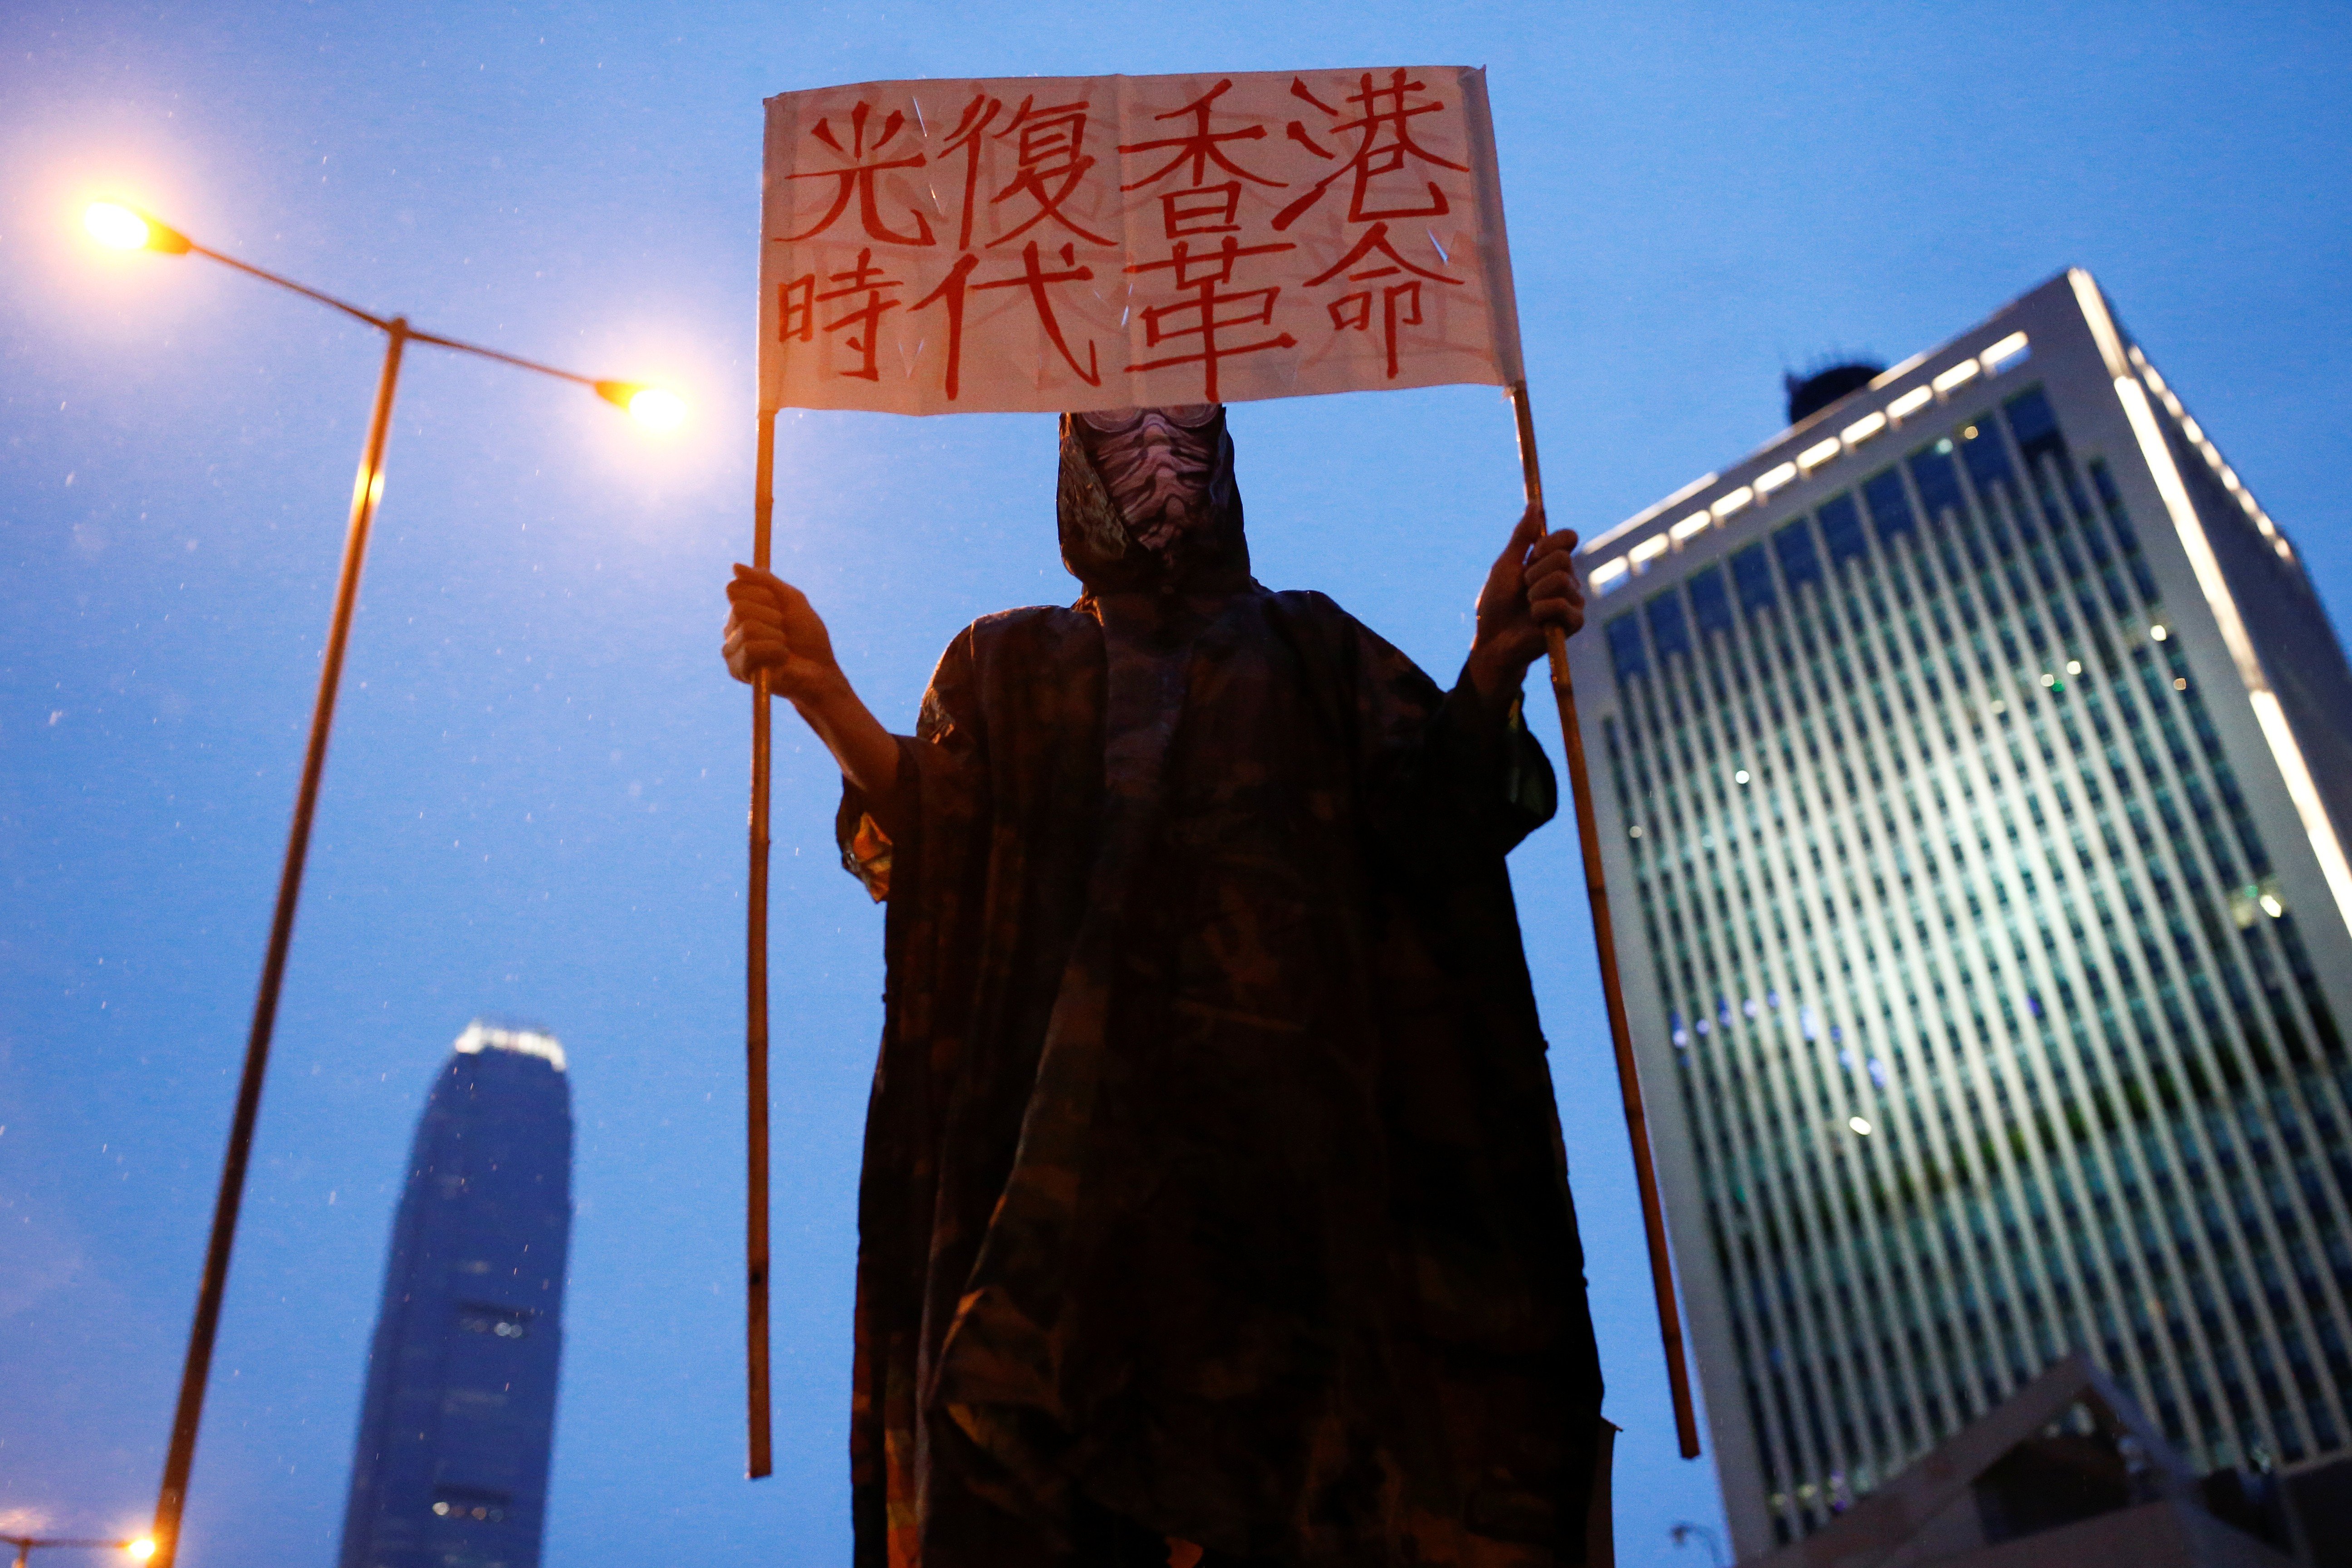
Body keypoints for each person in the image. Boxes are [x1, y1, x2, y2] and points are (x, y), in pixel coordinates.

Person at [724, 404, 1602, 1568]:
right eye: (1120, 433)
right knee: (1052, 1469)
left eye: (1184, 428)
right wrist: (821, 690)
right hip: (1071, 1181)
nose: (1157, 462)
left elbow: (1436, 829)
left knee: (1313, 1482)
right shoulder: (1005, 659)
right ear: (1074, 465)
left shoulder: (1314, 647)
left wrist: (1493, 664)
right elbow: (937, 836)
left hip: (1296, 1176)